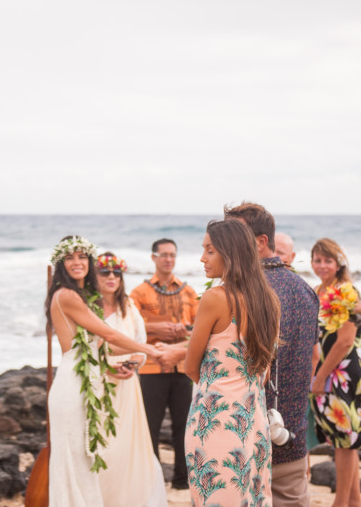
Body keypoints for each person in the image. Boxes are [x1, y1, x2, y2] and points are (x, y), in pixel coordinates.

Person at [159, 218, 281, 507]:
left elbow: (191, 365)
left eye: (210, 250)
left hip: (217, 420)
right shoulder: (270, 301)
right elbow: (263, 372)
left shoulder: (215, 298)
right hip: (254, 418)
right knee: (253, 497)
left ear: (231, 253)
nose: (202, 258)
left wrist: (219, 390)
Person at [45, 235, 161, 507]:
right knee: (75, 462)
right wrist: (149, 349)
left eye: (82, 256)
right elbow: (108, 334)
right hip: (73, 386)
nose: (77, 262)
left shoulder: (84, 298)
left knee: (86, 461)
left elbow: (101, 347)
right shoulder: (67, 296)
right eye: (70, 257)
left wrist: (142, 352)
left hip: (88, 382)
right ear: (61, 263)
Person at [225, 203, 318, 507]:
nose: (227, 244)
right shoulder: (305, 289)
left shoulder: (250, 291)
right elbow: (311, 356)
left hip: (252, 431)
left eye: (235, 235)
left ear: (261, 242)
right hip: (291, 430)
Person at [94, 252, 168, 507]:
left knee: (127, 444)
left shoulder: (129, 307)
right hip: (96, 384)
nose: (112, 277)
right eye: (105, 272)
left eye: (116, 273)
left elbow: (140, 345)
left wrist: (134, 364)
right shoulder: (87, 308)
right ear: (95, 276)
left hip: (127, 387)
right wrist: (105, 367)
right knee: (101, 443)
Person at [128, 238, 199, 489]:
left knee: (184, 426)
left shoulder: (189, 291)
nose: (169, 259)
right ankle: (152, 480)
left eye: (173, 255)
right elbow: (128, 327)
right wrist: (157, 327)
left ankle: (182, 480)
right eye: (164, 255)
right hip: (151, 368)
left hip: (182, 367)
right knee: (150, 426)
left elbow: (200, 329)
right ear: (153, 258)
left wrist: (184, 329)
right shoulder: (139, 293)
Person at [309, 238, 361, 507]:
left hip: (345, 371)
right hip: (326, 369)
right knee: (342, 439)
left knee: (346, 440)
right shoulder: (316, 290)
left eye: (327, 260)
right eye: (317, 260)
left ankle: (340, 502)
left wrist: (321, 376)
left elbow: (346, 340)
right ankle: (354, 501)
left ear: (338, 264)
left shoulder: (347, 292)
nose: (322, 265)